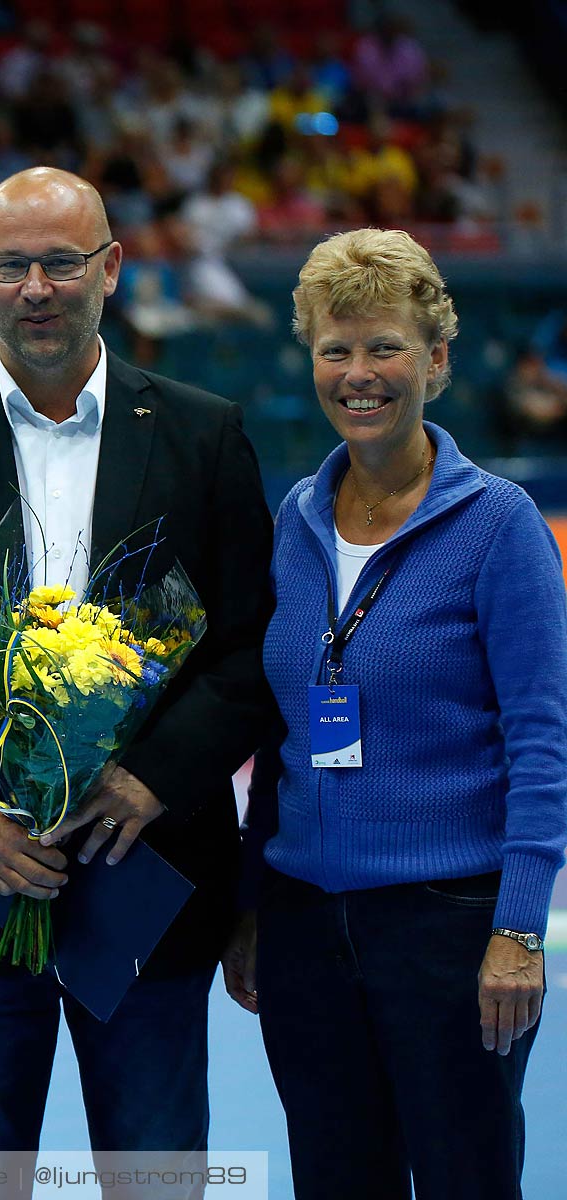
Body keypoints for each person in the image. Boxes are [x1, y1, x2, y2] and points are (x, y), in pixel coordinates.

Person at [0, 168, 274, 1192]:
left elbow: (254, 649)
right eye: (12, 265)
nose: (38, 287)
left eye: (62, 262)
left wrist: (150, 779)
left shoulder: (205, 434)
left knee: (157, 1176)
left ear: (111, 269)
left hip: (149, 877)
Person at [222, 228, 567, 1200]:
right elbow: (279, 740)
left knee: (465, 1177)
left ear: (438, 360)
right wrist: (251, 905)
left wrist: (519, 929)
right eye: (337, 348)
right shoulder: (291, 521)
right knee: (336, 1182)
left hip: (451, 930)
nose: (359, 373)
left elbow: (543, 740)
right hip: (302, 926)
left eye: (385, 347)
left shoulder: (501, 526)